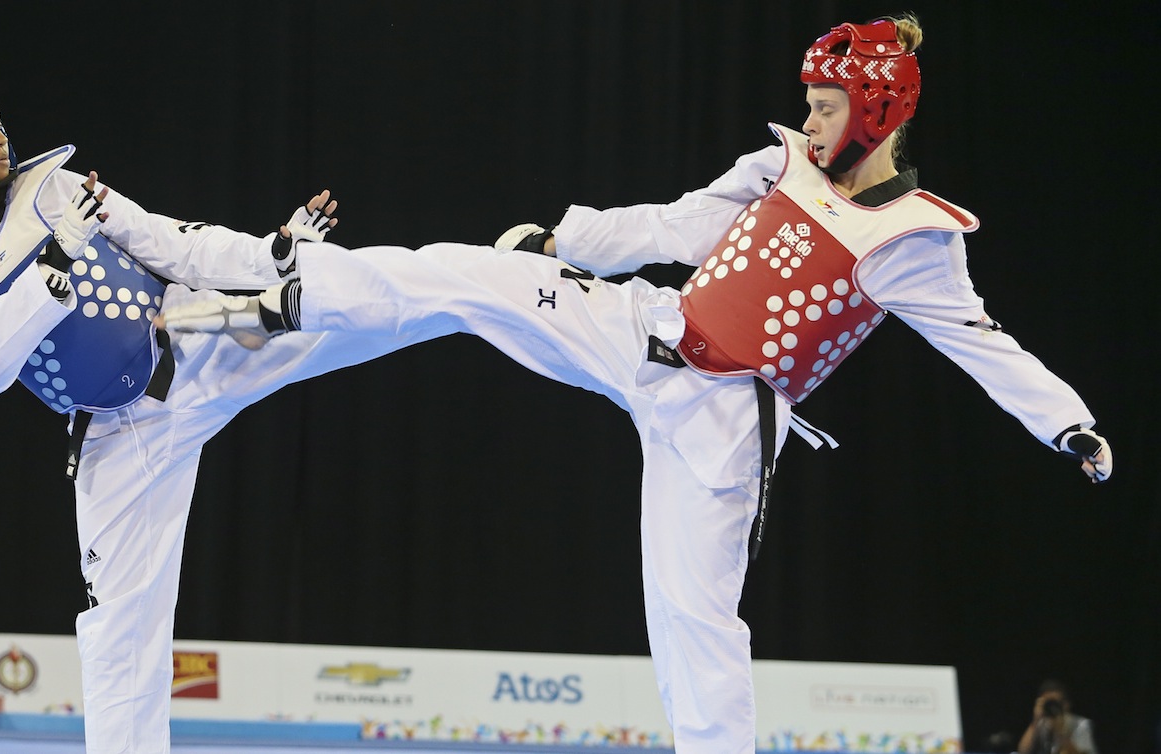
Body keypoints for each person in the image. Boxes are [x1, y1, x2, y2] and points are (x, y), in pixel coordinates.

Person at [159, 15, 1113, 754]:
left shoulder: (914, 237)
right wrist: (563, 241)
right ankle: (296, 290)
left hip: (723, 423)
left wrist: (1069, 425)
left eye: (827, 105)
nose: (812, 118)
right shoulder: (780, 164)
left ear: (876, 110)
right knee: (473, 276)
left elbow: (981, 343)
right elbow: (674, 227)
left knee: (692, 620)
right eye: (813, 104)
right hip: (648, 334)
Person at [0, 54, 432, 754]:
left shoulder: (57, 187)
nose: (0, 137)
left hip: (203, 338)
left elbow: (175, 245)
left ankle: (513, 279)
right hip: (118, 431)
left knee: (366, 299)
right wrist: (51, 266)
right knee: (119, 634)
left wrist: (273, 255)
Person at [1018, 679, 1098, 754]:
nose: (1052, 707)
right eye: (1048, 703)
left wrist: (1061, 732)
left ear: (1066, 705)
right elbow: (1023, 751)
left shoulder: (1081, 724)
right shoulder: (1043, 723)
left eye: (1055, 703)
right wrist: (1035, 721)